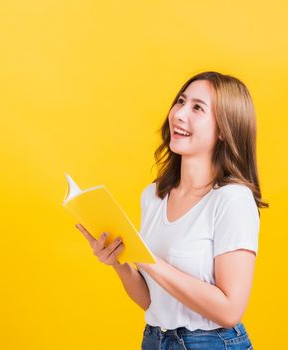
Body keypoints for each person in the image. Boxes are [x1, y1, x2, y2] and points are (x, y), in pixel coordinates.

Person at [75, 71, 268, 350]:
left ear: (225, 129)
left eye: (197, 108)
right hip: (156, 339)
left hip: (212, 344)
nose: (179, 114)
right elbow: (152, 300)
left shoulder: (232, 200)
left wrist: (150, 261)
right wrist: (119, 263)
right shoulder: (153, 196)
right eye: (181, 101)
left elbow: (230, 311)